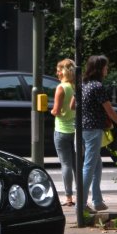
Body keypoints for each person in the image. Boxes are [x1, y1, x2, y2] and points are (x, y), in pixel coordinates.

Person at [80, 55, 117, 213]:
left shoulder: (82, 84)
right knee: (89, 167)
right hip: (93, 130)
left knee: (97, 165)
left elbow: (72, 106)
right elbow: (110, 112)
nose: (107, 69)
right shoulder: (97, 87)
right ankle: (81, 205)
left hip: (83, 129)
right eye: (105, 67)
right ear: (99, 69)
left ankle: (97, 201)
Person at [51, 58, 77, 207]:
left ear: (63, 71)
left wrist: (52, 111)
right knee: (76, 165)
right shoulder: (76, 87)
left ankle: (68, 198)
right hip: (75, 131)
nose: (57, 72)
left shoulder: (61, 88)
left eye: (58, 70)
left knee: (66, 164)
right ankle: (82, 194)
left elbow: (56, 111)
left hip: (61, 131)